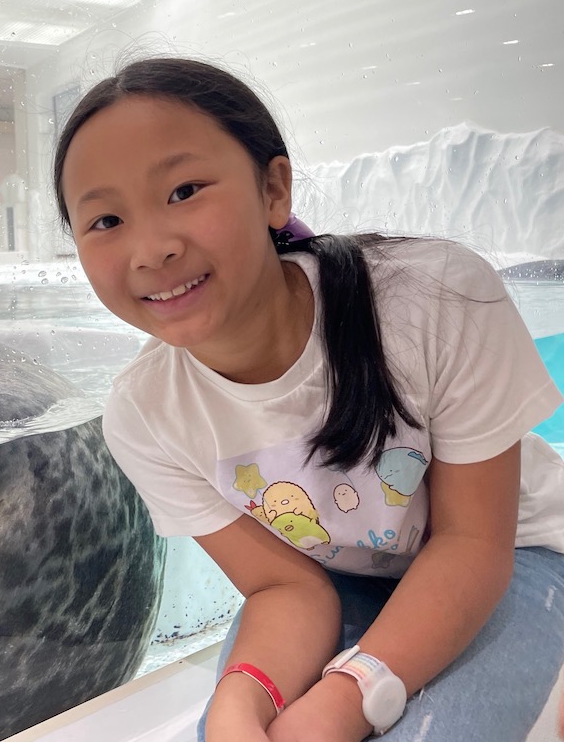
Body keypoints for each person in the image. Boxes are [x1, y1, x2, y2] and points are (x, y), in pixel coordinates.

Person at [53, 56, 564, 741]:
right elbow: (286, 588)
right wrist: (241, 706)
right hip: (347, 578)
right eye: (107, 220)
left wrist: (353, 695)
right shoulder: (145, 416)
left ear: (273, 189)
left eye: (184, 191)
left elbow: (473, 543)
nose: (152, 248)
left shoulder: (438, 295)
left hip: (516, 547)